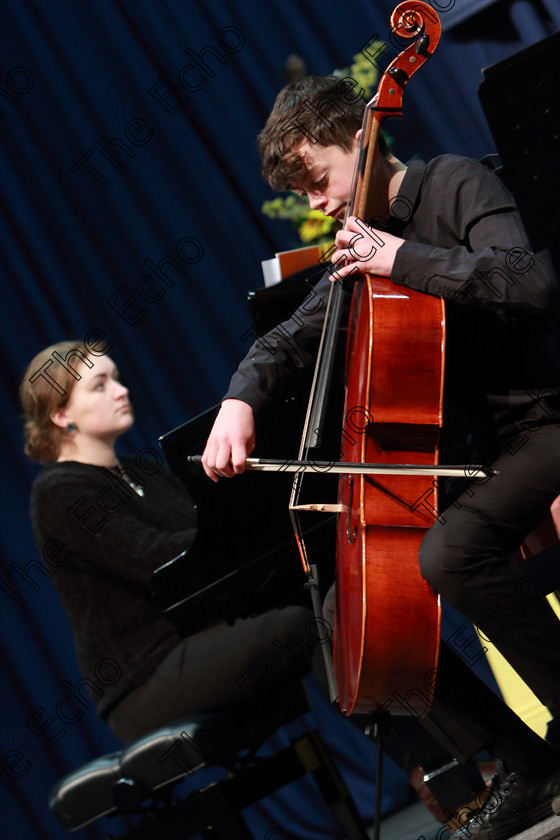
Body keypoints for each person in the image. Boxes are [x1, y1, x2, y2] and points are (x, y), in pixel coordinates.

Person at [201, 75, 560, 838]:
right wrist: (240, 400)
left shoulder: (454, 181)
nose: (319, 203)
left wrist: (405, 261)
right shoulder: (361, 246)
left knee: (450, 554)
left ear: (359, 140)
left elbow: (531, 282)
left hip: (552, 421)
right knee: (352, 614)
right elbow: (284, 340)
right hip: (496, 455)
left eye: (318, 179)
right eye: (303, 191)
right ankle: (530, 760)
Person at [20, 340, 322, 746]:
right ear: (60, 414)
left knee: (321, 595)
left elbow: (199, 539)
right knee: (304, 621)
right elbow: (156, 557)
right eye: (99, 385)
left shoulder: (142, 472)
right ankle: (421, 765)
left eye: (117, 379)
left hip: (195, 641)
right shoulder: (58, 492)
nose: (120, 390)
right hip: (144, 678)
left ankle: (424, 759)